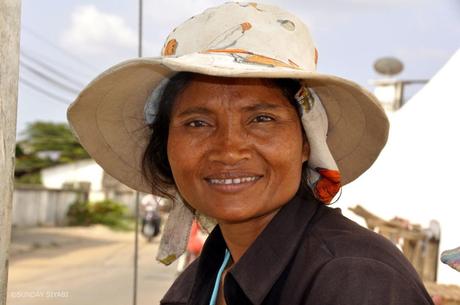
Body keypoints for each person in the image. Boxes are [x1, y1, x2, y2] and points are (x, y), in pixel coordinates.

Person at [67, 3, 434, 305]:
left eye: (262, 119)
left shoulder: (354, 280)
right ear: (166, 146)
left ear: (307, 141)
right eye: (197, 123)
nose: (229, 150)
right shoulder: (208, 272)